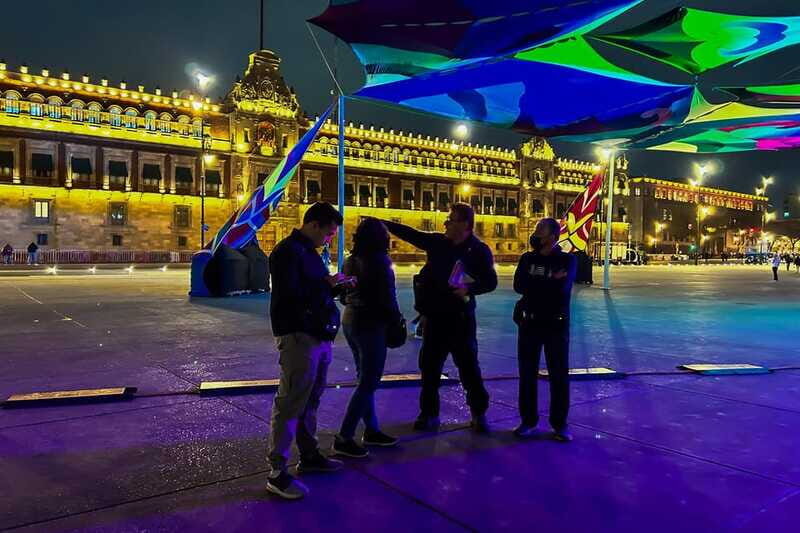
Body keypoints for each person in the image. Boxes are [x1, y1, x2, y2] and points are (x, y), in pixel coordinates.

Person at [380, 204, 497, 433]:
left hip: (461, 319)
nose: (446, 223)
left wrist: (469, 289)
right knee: (430, 369)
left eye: (451, 219)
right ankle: (429, 414)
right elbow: (411, 234)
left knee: (469, 368)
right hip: (434, 318)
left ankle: (479, 413)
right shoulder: (437, 243)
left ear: (465, 224)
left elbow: (490, 282)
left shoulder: (479, 250)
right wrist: (383, 223)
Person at [265, 202, 355, 500]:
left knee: (310, 399)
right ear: (314, 224)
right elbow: (290, 295)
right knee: (291, 401)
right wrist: (327, 285)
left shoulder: (308, 252)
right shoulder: (288, 251)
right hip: (299, 335)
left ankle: (309, 454)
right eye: (328, 233)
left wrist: (334, 286)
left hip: (317, 334)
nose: (329, 239)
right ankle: (277, 472)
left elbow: (313, 290)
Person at [333, 218, 403, 458]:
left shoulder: (350, 260)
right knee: (368, 382)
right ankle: (345, 436)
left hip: (351, 319)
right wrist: (397, 321)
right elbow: (387, 297)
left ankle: (372, 430)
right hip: (372, 323)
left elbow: (342, 293)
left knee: (363, 377)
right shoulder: (380, 262)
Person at [513, 218, 577, 442]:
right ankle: (528, 421)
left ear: (552, 236)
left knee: (558, 375)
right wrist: (549, 278)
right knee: (527, 375)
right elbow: (518, 286)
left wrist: (537, 282)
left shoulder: (567, 260)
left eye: (540, 230)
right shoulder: (527, 258)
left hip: (555, 325)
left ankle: (560, 424)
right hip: (529, 323)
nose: (535, 234)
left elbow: (562, 290)